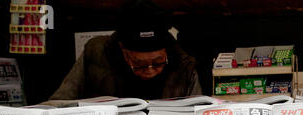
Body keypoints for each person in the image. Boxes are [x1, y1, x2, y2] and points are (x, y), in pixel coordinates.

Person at [49, 4, 202, 101]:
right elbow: (60, 101)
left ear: (166, 52)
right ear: (123, 50)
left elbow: (198, 111)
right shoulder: (97, 53)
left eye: (158, 62)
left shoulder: (183, 64)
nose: (150, 70)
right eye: (139, 64)